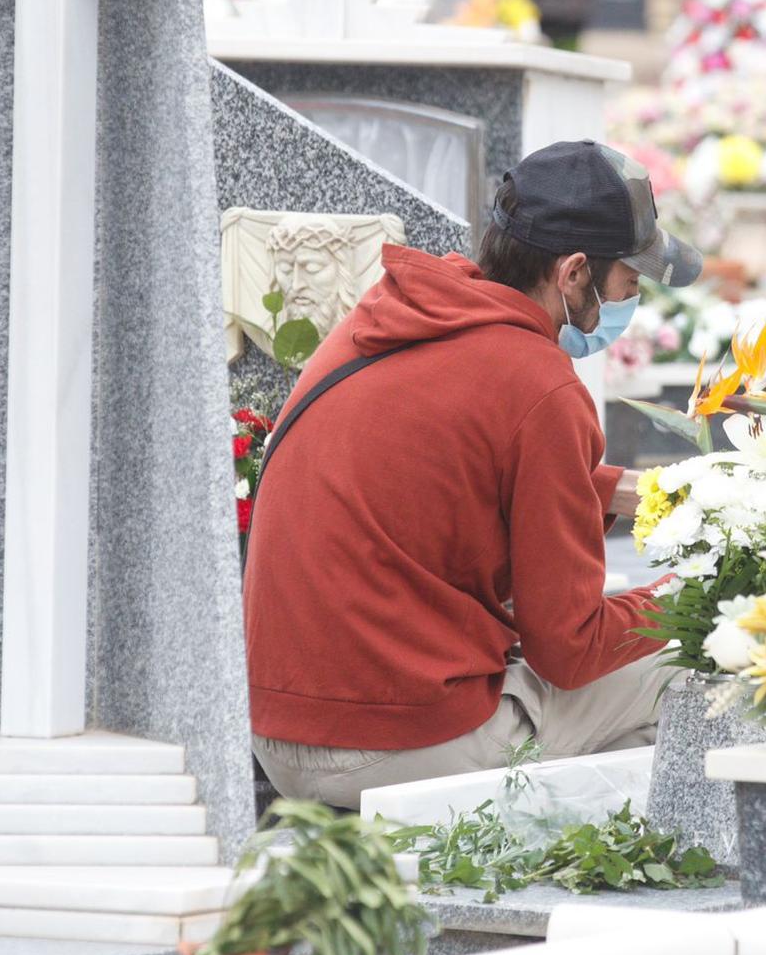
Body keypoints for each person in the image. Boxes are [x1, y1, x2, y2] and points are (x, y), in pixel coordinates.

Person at [244, 140, 702, 808]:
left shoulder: (401, 314)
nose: (632, 299)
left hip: (277, 726)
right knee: (694, 660)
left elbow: (457, 469)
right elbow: (570, 648)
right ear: (575, 272)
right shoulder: (540, 386)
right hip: (384, 744)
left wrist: (647, 494)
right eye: (629, 281)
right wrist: (688, 595)